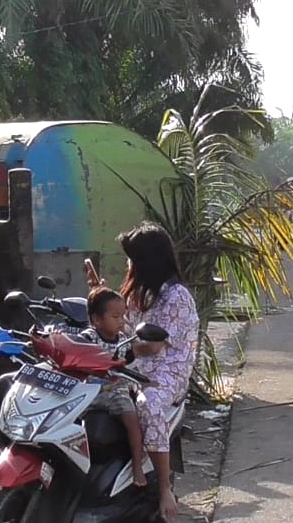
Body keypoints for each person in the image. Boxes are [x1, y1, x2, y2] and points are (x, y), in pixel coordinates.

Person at [113, 221, 199, 522]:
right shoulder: (138, 292)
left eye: (133, 258)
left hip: (165, 372)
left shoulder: (177, 297)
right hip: (133, 368)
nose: (128, 264)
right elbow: (121, 325)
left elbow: (152, 345)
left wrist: (125, 350)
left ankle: (164, 489)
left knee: (148, 406)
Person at [77, 286, 147, 487]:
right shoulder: (88, 338)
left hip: (116, 390)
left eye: (123, 315)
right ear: (97, 320)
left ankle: (137, 466)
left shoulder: (125, 342)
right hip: (88, 390)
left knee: (132, 419)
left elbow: (131, 364)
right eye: (116, 316)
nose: (122, 321)